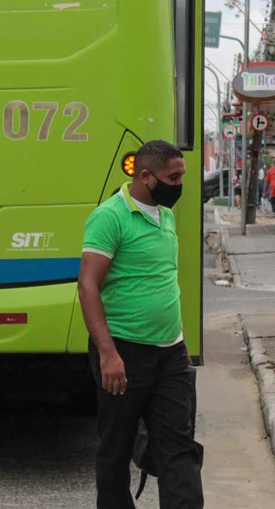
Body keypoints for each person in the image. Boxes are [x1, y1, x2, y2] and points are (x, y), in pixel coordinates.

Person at [78, 140, 203, 508]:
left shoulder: (165, 214)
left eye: (181, 176)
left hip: (171, 354)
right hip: (123, 352)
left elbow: (161, 281)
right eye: (173, 177)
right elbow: (88, 285)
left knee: (179, 447)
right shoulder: (110, 216)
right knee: (116, 448)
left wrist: (181, 348)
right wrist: (107, 354)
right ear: (145, 176)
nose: (179, 184)